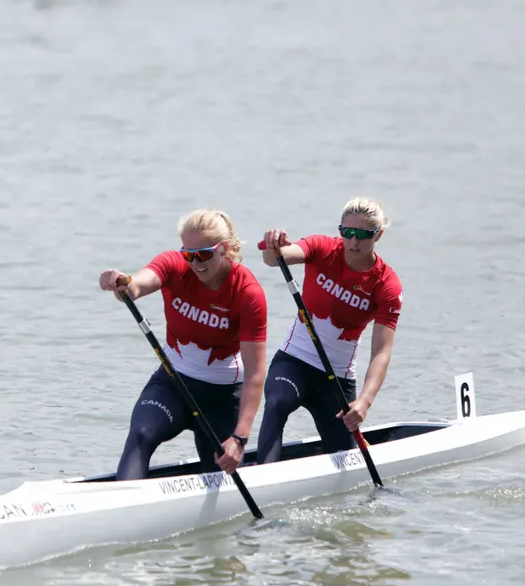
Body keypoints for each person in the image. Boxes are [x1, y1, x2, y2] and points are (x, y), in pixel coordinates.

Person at [99, 209, 267, 480]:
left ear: (223, 249)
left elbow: (256, 374)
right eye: (189, 254)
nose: (195, 263)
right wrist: (122, 283)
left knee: (220, 474)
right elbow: (138, 285)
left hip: (221, 396)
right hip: (173, 384)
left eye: (203, 254)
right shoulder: (174, 264)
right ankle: (124, 511)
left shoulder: (248, 293)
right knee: (141, 433)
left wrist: (240, 438)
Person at [255, 197, 403, 464]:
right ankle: (265, 477)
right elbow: (274, 259)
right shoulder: (322, 248)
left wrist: (364, 403)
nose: (353, 242)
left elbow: (381, 352)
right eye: (347, 233)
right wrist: (272, 244)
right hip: (294, 362)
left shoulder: (385, 284)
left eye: (363, 235)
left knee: (345, 458)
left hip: (336, 380)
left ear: (378, 235)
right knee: (276, 402)